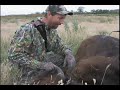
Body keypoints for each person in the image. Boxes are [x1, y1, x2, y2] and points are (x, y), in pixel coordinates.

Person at [8, 5, 76, 85]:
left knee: (65, 60)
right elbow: (14, 55)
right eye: (60, 18)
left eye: (63, 18)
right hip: (25, 73)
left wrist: (68, 53)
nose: (62, 22)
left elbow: (59, 46)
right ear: (49, 14)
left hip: (41, 67)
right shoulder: (27, 30)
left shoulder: (52, 31)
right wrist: (41, 65)